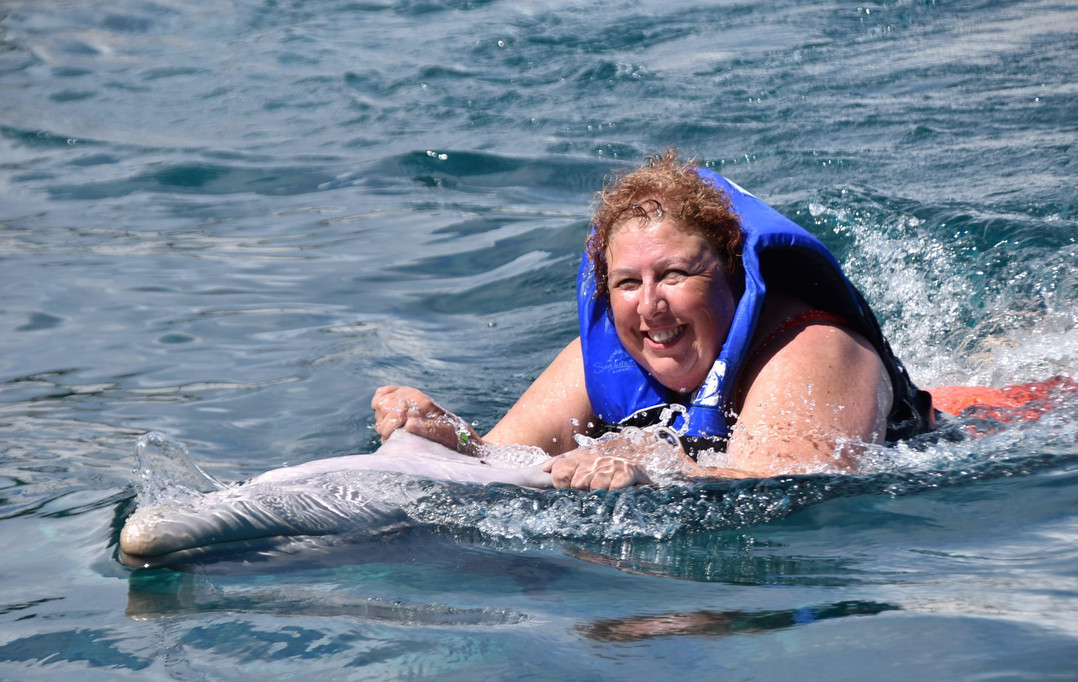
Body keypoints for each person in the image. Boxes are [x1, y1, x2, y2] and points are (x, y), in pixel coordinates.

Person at [372, 150, 934, 490]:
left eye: (674, 275)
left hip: (977, 429)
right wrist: (447, 436)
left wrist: (660, 462)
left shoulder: (812, 352)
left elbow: (794, 490)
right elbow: (502, 461)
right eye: (625, 283)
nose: (648, 305)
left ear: (734, 277)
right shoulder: (606, 356)